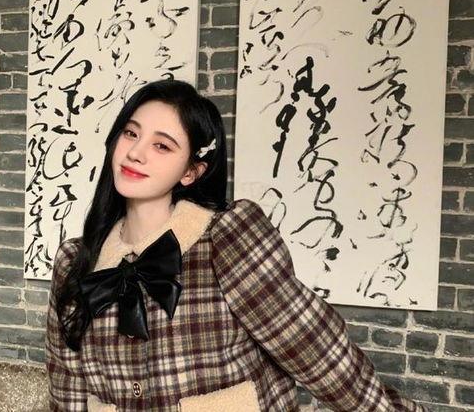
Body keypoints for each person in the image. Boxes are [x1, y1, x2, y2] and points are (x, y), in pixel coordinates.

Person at [46, 79, 428, 411]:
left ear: (191, 171)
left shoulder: (227, 238)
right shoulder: (75, 262)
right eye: (131, 134)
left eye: (162, 146)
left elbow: (314, 350)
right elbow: (69, 390)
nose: (135, 152)